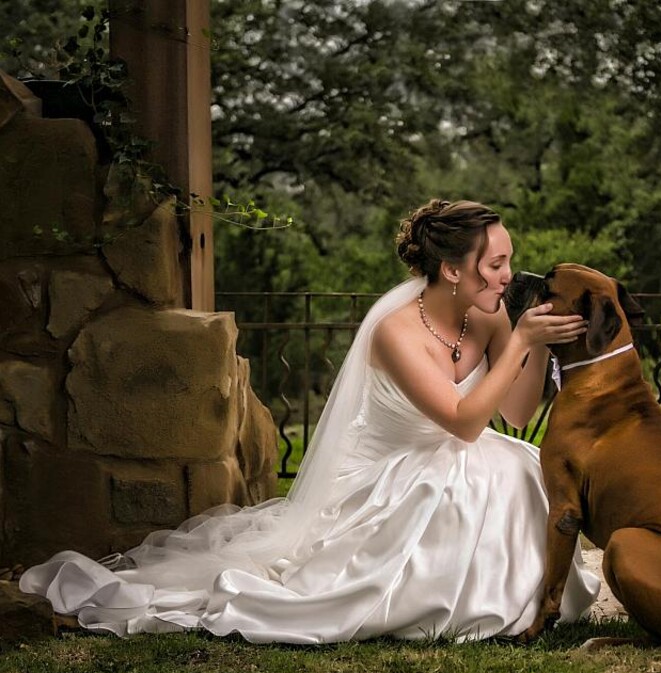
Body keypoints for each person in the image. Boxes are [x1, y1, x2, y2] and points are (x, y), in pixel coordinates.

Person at [19, 199, 600, 643]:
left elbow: (515, 413)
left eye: (508, 262)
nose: (508, 275)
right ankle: (449, 598)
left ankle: (521, 596)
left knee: (519, 470)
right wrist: (521, 339)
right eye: (496, 264)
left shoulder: (489, 316)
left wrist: (535, 345)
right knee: (451, 488)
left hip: (454, 454)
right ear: (451, 269)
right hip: (387, 476)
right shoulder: (396, 332)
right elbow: (463, 423)